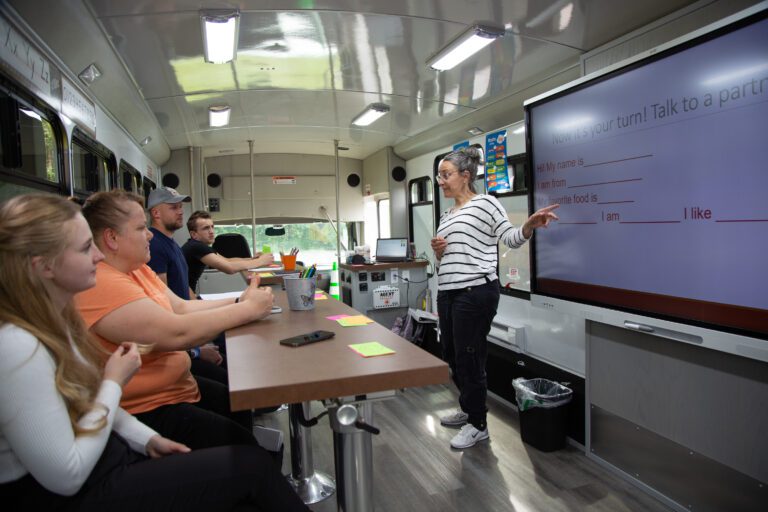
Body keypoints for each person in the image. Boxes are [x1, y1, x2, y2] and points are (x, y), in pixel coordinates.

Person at [0, 193, 310, 511]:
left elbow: (85, 400)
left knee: (247, 455)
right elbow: (67, 476)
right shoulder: (17, 347)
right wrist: (113, 383)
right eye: (84, 248)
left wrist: (145, 439)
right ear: (44, 267)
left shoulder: (54, 321)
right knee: (252, 468)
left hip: (110, 449)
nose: (97, 256)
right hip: (73, 490)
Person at [75, 190, 276, 450]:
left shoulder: (138, 269)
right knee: (246, 446)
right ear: (112, 238)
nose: (149, 235)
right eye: (140, 228)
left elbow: (181, 308)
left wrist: (241, 302)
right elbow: (176, 333)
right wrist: (249, 310)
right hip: (150, 405)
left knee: (239, 403)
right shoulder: (103, 281)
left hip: (176, 385)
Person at [430, 147, 559, 449]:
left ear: (465, 176)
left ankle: (478, 424)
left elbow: (510, 238)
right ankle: (468, 407)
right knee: (451, 354)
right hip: (448, 292)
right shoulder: (446, 215)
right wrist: (439, 253)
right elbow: (445, 261)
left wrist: (528, 225)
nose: (440, 181)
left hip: (475, 291)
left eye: (445, 174)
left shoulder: (487, 203)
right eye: (439, 175)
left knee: (470, 358)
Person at [183, 210, 274, 293]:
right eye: (206, 228)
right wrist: (260, 261)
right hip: (185, 298)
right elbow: (229, 268)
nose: (211, 231)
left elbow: (227, 260)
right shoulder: (196, 247)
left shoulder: (197, 245)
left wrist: (252, 259)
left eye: (212, 227)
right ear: (194, 234)